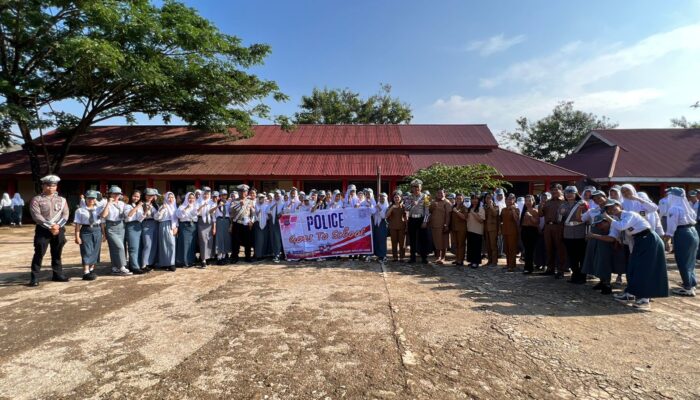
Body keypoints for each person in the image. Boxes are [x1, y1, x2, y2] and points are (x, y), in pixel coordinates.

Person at [589, 199, 668, 310]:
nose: (612, 209)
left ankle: (644, 299)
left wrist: (607, 217)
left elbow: (621, 226)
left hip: (649, 239)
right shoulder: (615, 219)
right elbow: (613, 235)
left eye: (613, 206)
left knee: (643, 270)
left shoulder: (629, 214)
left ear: (619, 205)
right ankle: (630, 293)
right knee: (632, 268)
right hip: (639, 241)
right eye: (608, 209)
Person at [28, 175, 70, 286]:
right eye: (48, 185)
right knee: (39, 253)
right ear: (43, 186)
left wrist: (57, 226)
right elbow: (36, 216)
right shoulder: (37, 200)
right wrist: (51, 227)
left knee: (57, 253)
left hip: (58, 229)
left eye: (54, 185)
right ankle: (34, 277)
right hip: (43, 230)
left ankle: (57, 274)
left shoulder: (62, 200)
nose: (51, 188)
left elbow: (65, 215)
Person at [581, 190, 625, 295]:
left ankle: (607, 284)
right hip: (595, 236)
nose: (597, 200)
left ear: (605, 196)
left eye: (599, 198)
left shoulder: (613, 207)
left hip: (607, 237)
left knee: (605, 261)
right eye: (595, 199)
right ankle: (601, 281)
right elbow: (583, 219)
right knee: (596, 260)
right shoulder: (594, 210)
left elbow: (616, 223)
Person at [663, 187, 699, 296]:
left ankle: (688, 287)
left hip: (682, 233)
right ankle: (691, 284)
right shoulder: (687, 207)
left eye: (669, 195)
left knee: (683, 260)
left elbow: (672, 226)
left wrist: (667, 239)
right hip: (693, 231)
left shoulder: (674, 209)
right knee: (690, 261)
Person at [100, 186, 132, 276]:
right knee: (119, 247)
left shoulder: (122, 204)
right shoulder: (105, 203)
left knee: (117, 247)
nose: (116, 196)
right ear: (110, 194)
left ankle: (115, 267)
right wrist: (109, 203)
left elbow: (127, 215)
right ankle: (122, 266)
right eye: (114, 193)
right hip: (110, 226)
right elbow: (103, 216)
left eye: (118, 194)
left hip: (121, 226)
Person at [559, 186, 588, 284]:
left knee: (581, 256)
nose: (569, 194)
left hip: (580, 232)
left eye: (571, 192)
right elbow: (559, 220)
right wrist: (561, 214)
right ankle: (575, 275)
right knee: (572, 256)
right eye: (567, 193)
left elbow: (586, 218)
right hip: (568, 233)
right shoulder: (563, 205)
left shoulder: (582, 204)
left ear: (576, 194)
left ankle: (582, 277)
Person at [73, 190, 103, 281]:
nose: (91, 200)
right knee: (86, 250)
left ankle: (91, 269)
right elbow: (78, 224)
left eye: (93, 198)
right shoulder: (80, 210)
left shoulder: (99, 209)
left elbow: (102, 221)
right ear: (85, 199)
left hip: (97, 229)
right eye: (89, 198)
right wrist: (77, 236)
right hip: (86, 230)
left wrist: (104, 234)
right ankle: (86, 272)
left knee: (95, 250)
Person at [541, 183, 567, 278]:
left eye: (556, 189)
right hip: (548, 227)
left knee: (560, 249)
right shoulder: (548, 202)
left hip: (559, 226)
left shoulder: (564, 202)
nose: (554, 192)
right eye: (552, 190)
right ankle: (550, 268)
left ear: (561, 190)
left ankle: (561, 270)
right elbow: (541, 214)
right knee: (549, 248)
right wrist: (541, 205)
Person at [405, 180, 429, 264]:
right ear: (412, 188)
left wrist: (425, 222)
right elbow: (406, 208)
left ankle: (424, 257)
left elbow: (427, 210)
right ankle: (412, 257)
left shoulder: (425, 197)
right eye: (414, 187)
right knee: (412, 239)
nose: (416, 188)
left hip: (421, 219)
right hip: (412, 219)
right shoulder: (409, 197)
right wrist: (412, 204)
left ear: (421, 187)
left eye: (417, 187)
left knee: (423, 239)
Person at [124, 190, 147, 274]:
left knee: (139, 247)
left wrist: (145, 211)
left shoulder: (140, 206)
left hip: (139, 225)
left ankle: (139, 265)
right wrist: (137, 207)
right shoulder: (127, 206)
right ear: (131, 196)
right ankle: (134, 267)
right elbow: (129, 215)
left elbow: (140, 218)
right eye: (134, 196)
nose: (136, 198)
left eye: (138, 197)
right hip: (131, 226)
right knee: (133, 247)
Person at [231, 184, 255, 263]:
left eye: (245, 191)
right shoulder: (234, 201)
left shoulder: (250, 201)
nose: (243, 193)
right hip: (237, 223)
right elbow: (231, 212)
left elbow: (253, 213)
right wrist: (239, 204)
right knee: (236, 241)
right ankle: (235, 257)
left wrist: (252, 220)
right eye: (241, 191)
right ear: (239, 192)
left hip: (246, 223)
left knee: (247, 241)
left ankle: (248, 257)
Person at [155, 191, 178, 271]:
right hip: (164, 225)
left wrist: (176, 227)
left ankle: (171, 263)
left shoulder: (175, 206)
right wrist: (161, 209)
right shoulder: (163, 206)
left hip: (173, 226)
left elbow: (176, 218)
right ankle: (164, 263)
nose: (170, 199)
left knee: (172, 244)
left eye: (172, 197)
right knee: (164, 245)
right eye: (169, 197)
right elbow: (157, 217)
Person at [428, 189, 452, 264]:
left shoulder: (447, 202)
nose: (439, 194)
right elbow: (429, 211)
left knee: (444, 242)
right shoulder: (433, 202)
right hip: (434, 225)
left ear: (444, 193)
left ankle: (443, 257)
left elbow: (448, 215)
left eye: (441, 193)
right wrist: (432, 205)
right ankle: (438, 256)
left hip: (443, 225)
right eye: (438, 193)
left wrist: (446, 225)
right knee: (437, 242)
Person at [176, 192, 198, 268]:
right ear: (186, 198)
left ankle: (191, 261)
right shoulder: (182, 206)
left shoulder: (195, 206)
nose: (191, 199)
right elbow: (179, 216)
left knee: (192, 244)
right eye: (189, 198)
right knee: (184, 244)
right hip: (185, 226)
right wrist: (186, 208)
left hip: (193, 226)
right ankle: (183, 262)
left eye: (192, 198)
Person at [196, 187, 216, 268]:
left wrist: (214, 227)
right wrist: (202, 206)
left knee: (209, 240)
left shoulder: (212, 202)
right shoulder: (198, 201)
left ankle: (208, 258)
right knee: (203, 241)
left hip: (210, 222)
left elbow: (213, 215)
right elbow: (196, 212)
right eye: (204, 194)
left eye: (207, 194)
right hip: (201, 222)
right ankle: (203, 259)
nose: (206, 195)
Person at [140, 188, 160, 271]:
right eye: (148, 195)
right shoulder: (142, 204)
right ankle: (144, 264)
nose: (150, 197)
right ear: (145, 196)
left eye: (152, 195)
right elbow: (144, 215)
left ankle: (151, 262)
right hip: (146, 223)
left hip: (155, 224)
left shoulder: (155, 205)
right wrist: (147, 209)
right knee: (147, 244)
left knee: (154, 244)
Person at [520, 195, 540, 274]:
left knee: (530, 250)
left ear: (533, 202)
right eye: (526, 201)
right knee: (526, 250)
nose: (528, 203)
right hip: (524, 230)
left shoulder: (535, 210)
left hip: (532, 231)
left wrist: (531, 216)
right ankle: (527, 266)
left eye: (529, 201)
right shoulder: (524, 210)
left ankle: (529, 268)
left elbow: (537, 222)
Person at [501, 194, 520, 272]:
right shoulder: (503, 209)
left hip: (513, 232)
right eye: (508, 199)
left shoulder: (516, 209)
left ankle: (512, 265)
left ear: (514, 200)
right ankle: (508, 263)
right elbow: (501, 220)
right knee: (506, 249)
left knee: (512, 249)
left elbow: (516, 219)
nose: (509, 201)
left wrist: (513, 210)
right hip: (505, 231)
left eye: (511, 199)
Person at [386, 191, 407, 262]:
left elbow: (407, 216)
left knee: (402, 243)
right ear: (393, 198)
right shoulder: (391, 206)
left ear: (401, 198)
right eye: (395, 197)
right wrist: (392, 208)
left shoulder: (404, 206)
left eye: (398, 197)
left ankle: (402, 257)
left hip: (402, 226)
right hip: (393, 227)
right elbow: (386, 215)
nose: (396, 198)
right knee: (394, 242)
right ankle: (395, 257)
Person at [466, 193, 486, 268]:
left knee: (476, 247)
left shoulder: (481, 209)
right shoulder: (469, 208)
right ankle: (471, 261)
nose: (474, 200)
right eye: (473, 199)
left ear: (478, 200)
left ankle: (476, 262)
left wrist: (474, 213)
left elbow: (481, 220)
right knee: (470, 247)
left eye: (476, 199)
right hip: (469, 230)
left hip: (477, 231)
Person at [213, 191, 232, 265]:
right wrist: (218, 205)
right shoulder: (216, 203)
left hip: (227, 221)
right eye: (222, 195)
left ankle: (224, 256)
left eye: (225, 195)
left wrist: (231, 224)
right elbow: (212, 213)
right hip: (219, 221)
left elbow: (230, 214)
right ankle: (219, 257)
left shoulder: (228, 203)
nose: (224, 196)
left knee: (226, 238)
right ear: (219, 196)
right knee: (219, 238)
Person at [449, 193, 468, 267]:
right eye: (457, 198)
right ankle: (457, 259)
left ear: (463, 199)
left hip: (461, 229)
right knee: (456, 244)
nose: (458, 200)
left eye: (460, 198)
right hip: (454, 228)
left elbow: (464, 217)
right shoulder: (453, 206)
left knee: (461, 244)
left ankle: (461, 260)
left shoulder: (464, 207)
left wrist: (456, 211)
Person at [483, 193, 500, 267]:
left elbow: (495, 214)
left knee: (493, 246)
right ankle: (489, 261)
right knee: (488, 246)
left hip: (493, 229)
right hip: (486, 229)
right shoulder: (484, 207)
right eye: (487, 198)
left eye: (490, 198)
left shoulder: (496, 207)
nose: (488, 199)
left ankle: (494, 262)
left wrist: (491, 205)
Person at [268, 190, 285, 263]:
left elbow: (287, 210)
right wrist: (273, 206)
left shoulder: (283, 203)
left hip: (283, 224)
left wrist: (281, 212)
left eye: (278, 195)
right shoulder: (272, 203)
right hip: (274, 223)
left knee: (284, 239)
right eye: (275, 195)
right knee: (276, 239)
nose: (277, 197)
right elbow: (267, 211)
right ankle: (276, 254)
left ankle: (284, 254)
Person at [372, 192, 389, 262]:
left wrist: (379, 208)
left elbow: (383, 216)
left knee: (382, 240)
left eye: (383, 197)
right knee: (377, 240)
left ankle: (383, 255)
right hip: (376, 224)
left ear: (386, 198)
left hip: (383, 224)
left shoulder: (387, 206)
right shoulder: (377, 204)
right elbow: (373, 214)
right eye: (380, 197)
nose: (382, 198)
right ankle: (379, 255)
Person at [253, 193, 270, 261]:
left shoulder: (266, 205)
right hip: (257, 224)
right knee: (258, 240)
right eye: (260, 198)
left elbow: (268, 215)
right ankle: (258, 255)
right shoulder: (255, 205)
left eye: (262, 198)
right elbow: (254, 214)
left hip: (265, 224)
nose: (261, 199)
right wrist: (257, 212)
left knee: (264, 240)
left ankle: (263, 254)